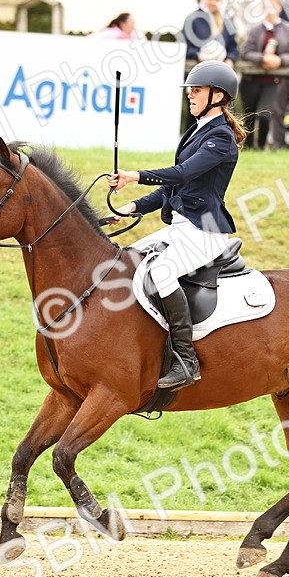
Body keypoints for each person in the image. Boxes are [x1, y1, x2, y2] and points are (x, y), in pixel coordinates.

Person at [107, 61, 247, 391]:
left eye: (196, 91)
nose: (190, 96)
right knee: (127, 260)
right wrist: (131, 208)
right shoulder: (196, 131)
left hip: (206, 232)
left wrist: (135, 176)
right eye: (190, 91)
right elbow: (174, 187)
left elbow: (182, 173)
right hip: (182, 228)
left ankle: (186, 359)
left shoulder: (221, 137)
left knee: (161, 272)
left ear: (217, 96)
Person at [240, 0, 289, 149]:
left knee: (265, 115)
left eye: (272, 5)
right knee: (249, 116)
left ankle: (260, 146)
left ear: (279, 7)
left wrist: (279, 60)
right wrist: (263, 58)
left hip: (274, 80)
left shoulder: (288, 29)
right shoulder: (255, 29)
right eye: (265, 6)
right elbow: (246, 52)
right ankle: (248, 148)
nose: (269, 9)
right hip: (252, 80)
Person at [183, 0, 238, 65]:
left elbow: (233, 47)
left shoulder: (227, 21)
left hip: (221, 68)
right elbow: (185, 46)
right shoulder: (193, 19)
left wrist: (230, 59)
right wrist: (198, 56)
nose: (213, 2)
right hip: (198, 67)